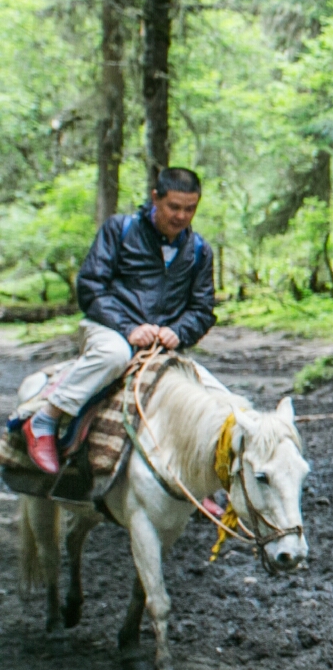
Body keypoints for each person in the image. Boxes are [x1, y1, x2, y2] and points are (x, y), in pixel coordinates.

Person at [27, 167, 216, 474]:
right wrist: (129, 329)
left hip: (160, 342)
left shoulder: (199, 251)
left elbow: (203, 308)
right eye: (174, 207)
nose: (182, 216)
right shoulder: (119, 229)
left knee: (208, 395)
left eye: (190, 209)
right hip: (108, 328)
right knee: (113, 355)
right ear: (155, 198)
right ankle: (45, 419)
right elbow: (90, 287)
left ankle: (198, 478)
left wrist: (178, 332)